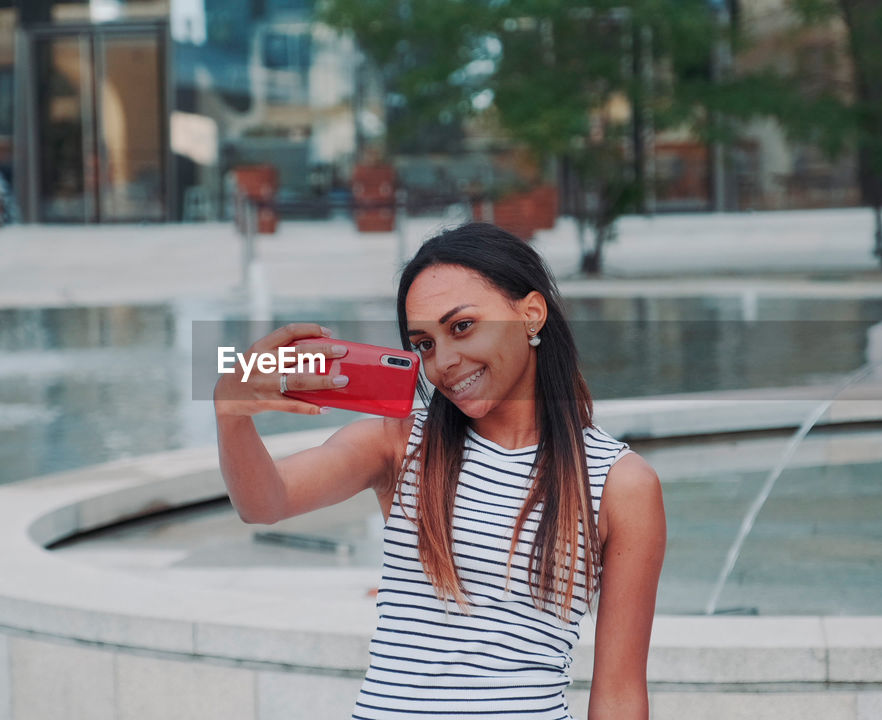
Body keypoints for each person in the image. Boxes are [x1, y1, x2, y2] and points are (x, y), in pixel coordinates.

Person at [214, 223, 666, 719]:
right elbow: (265, 502)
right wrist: (231, 415)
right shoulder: (400, 443)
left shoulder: (619, 483)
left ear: (530, 314)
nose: (443, 362)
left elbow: (620, 694)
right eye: (424, 343)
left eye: (462, 326)